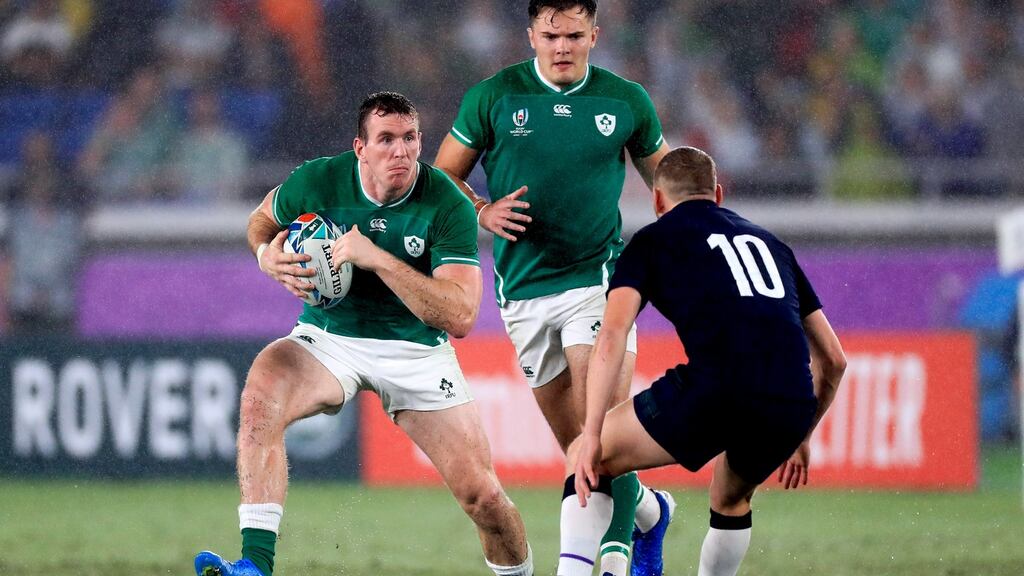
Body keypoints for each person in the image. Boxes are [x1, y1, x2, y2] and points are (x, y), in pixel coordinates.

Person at [194, 92, 533, 576]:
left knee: (484, 499)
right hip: (331, 339)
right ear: (360, 148)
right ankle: (256, 565)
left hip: (417, 351)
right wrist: (265, 254)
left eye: (411, 138)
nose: (401, 151)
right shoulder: (319, 179)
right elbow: (262, 220)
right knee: (259, 398)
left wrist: (375, 256)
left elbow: (460, 316)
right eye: (387, 140)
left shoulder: (447, 202)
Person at [433, 2, 672, 574]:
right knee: (580, 449)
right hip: (522, 294)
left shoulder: (626, 101)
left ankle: (609, 559)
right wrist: (482, 211)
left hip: (598, 281)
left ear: (595, 34)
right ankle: (649, 515)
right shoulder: (494, 97)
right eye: (550, 35)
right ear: (531, 36)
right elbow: (441, 178)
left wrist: (700, 225)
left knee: (605, 432)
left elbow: (669, 183)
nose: (562, 46)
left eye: (573, 35)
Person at [560, 147, 848, 576]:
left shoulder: (653, 240)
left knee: (585, 456)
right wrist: (801, 434)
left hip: (718, 389)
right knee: (731, 497)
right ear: (717, 194)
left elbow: (612, 335)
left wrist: (594, 433)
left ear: (658, 200)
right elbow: (835, 360)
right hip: (790, 401)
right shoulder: (772, 245)